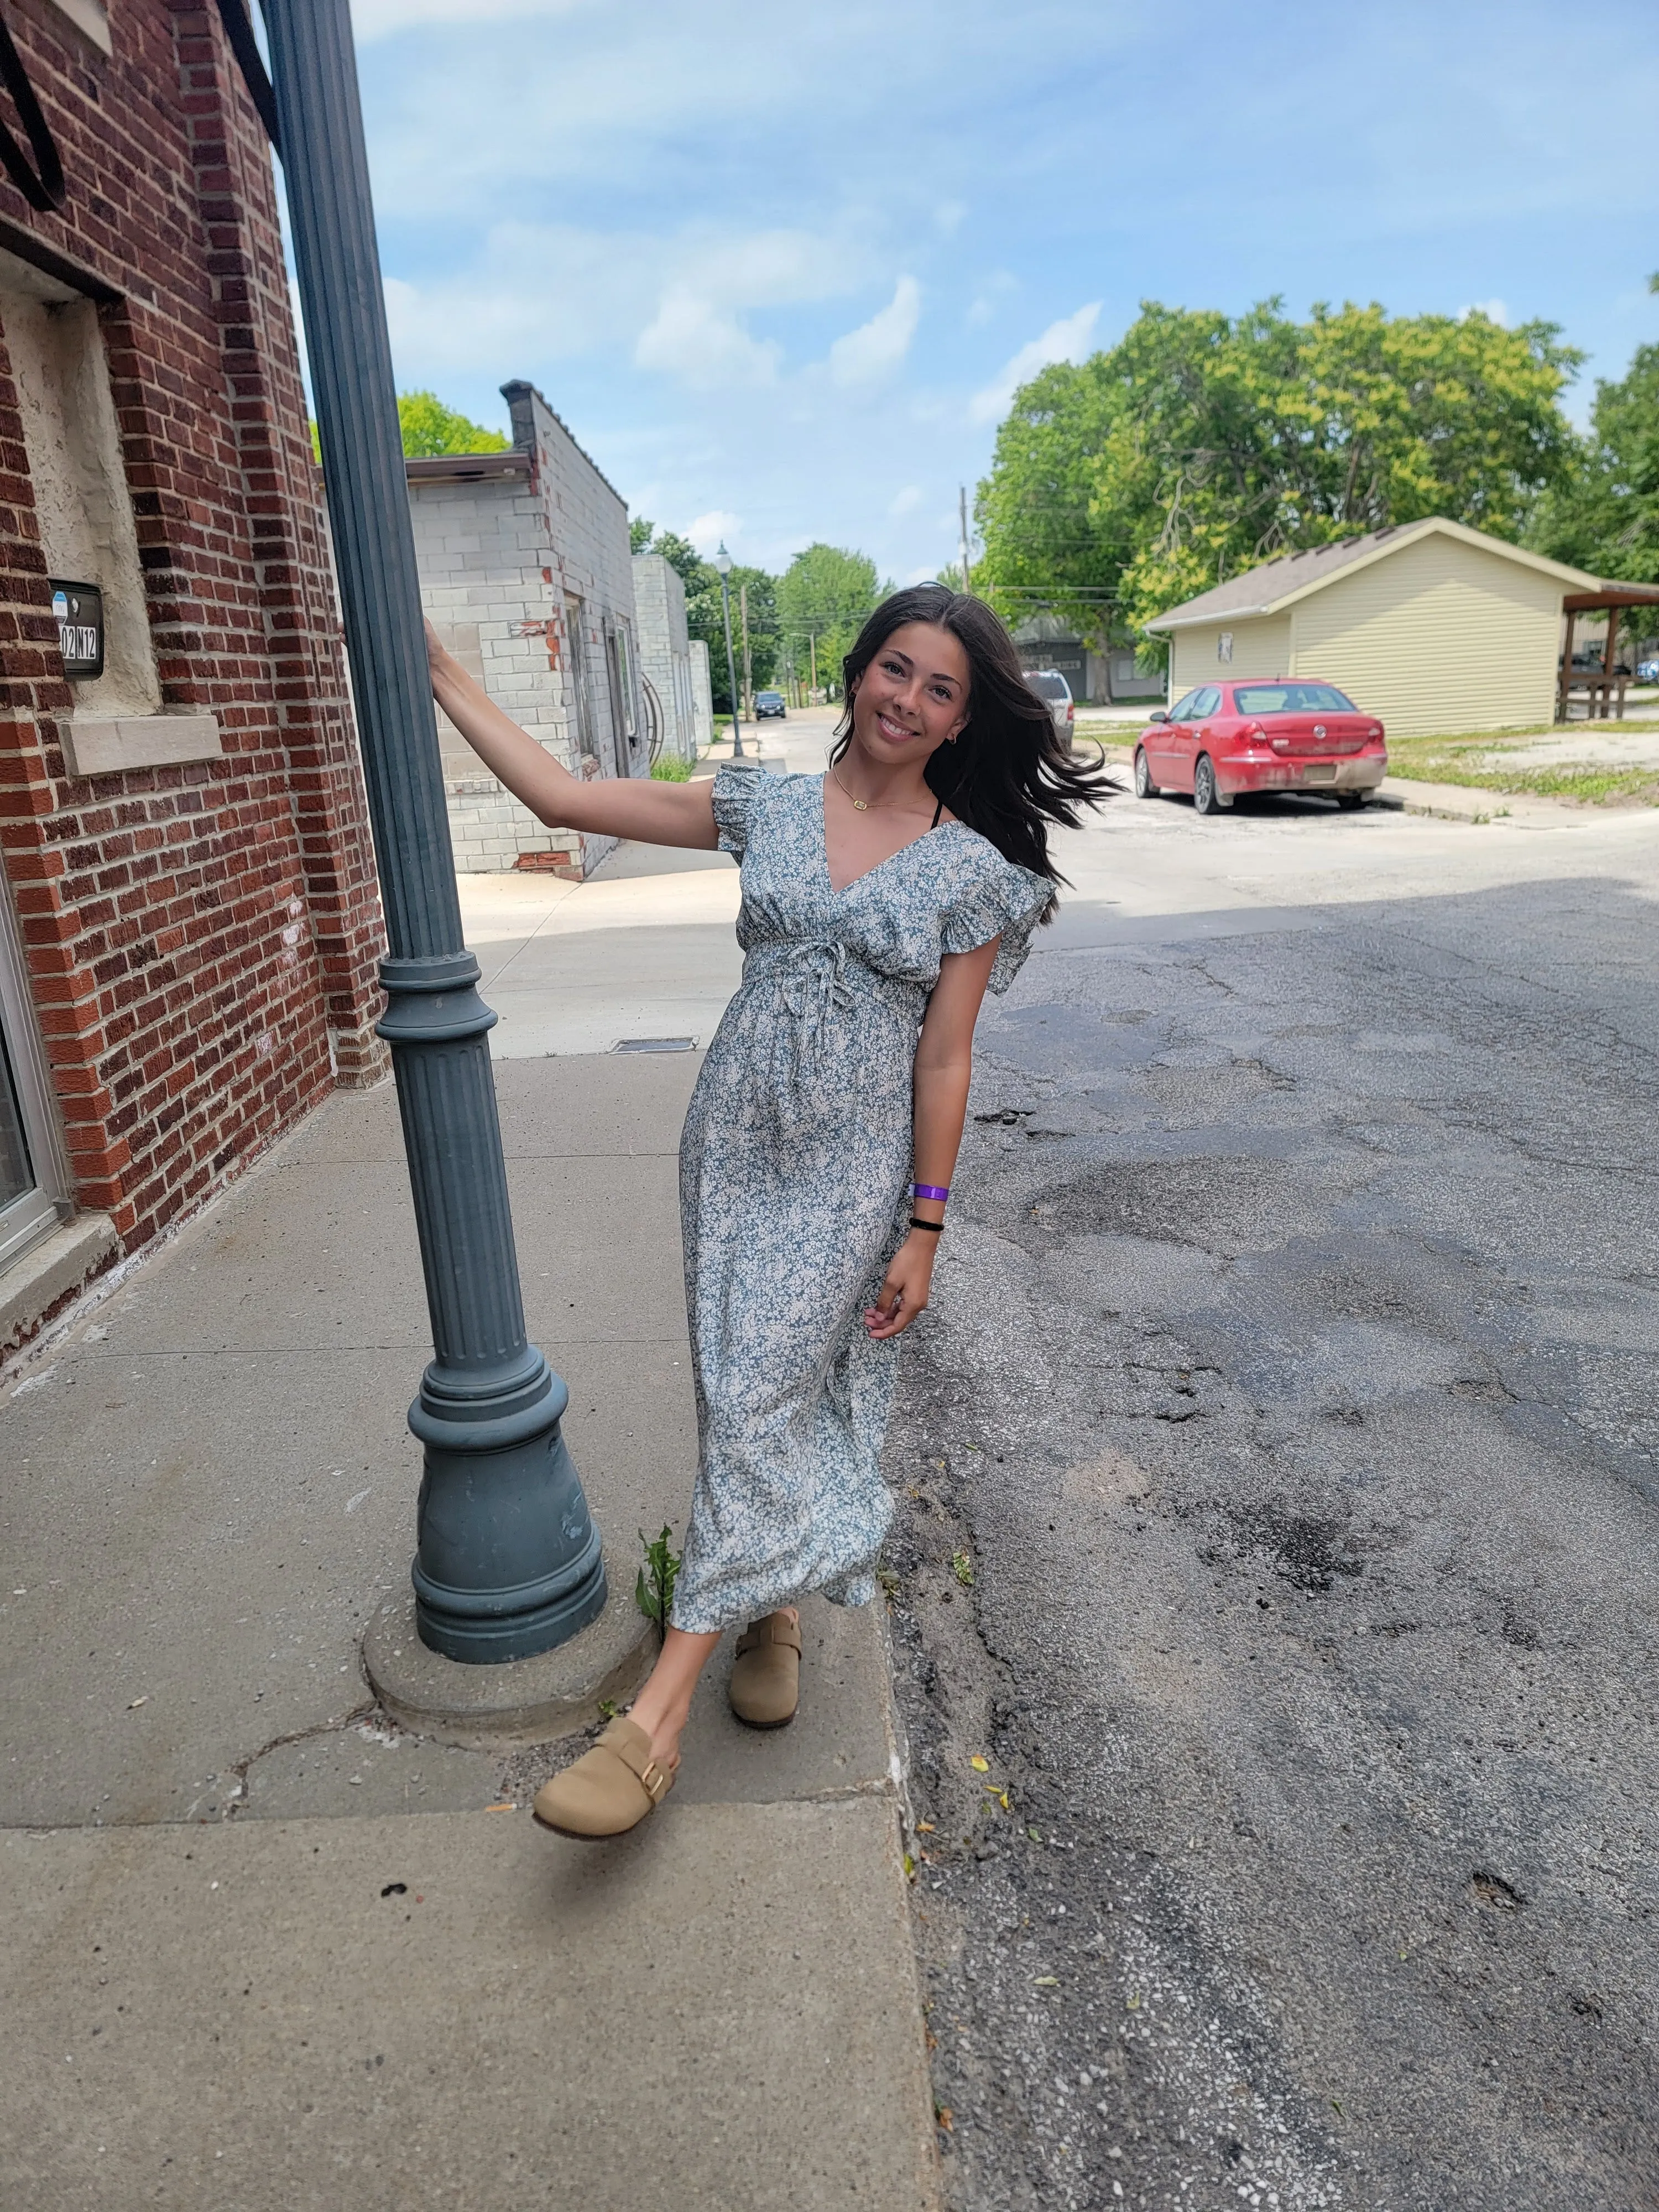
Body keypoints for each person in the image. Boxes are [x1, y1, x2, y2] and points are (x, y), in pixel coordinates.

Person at [425, 583, 1109, 1839]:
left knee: (760, 1392)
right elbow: (566, 801)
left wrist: (927, 1223)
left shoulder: (974, 868)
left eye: (941, 688)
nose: (909, 698)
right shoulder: (767, 802)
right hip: (735, 1139)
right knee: (743, 1382)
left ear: (965, 720)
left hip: (854, 1165)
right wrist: (444, 678)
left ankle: (655, 1722)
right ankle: (777, 1607)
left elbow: (947, 1057)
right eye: (894, 668)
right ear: (859, 673)